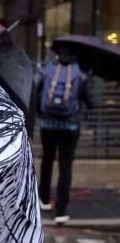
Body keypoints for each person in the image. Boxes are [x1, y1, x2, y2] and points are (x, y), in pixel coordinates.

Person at [36, 47, 97, 224]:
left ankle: (44, 200)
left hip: (47, 125)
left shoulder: (47, 70)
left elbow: (37, 92)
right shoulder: (81, 74)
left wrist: (41, 114)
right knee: (65, 166)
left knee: (47, 160)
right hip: (70, 126)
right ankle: (61, 211)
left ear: (57, 55)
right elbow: (91, 103)